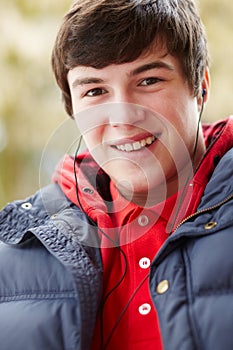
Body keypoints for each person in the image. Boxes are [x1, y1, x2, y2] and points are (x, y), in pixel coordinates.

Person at [0, 0, 232, 349]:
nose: (123, 115)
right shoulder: (16, 252)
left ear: (200, 87)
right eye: (95, 91)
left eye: (149, 80)